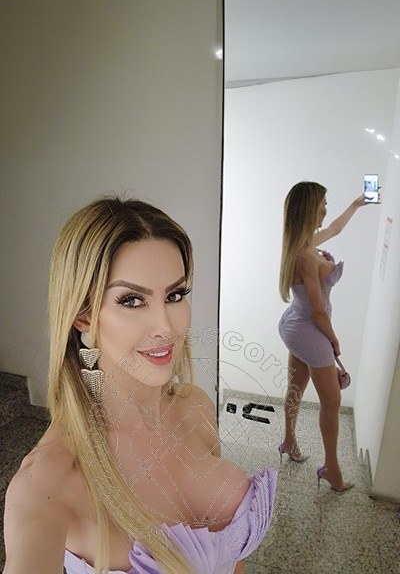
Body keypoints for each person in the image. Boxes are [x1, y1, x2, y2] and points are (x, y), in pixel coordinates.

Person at [3, 196, 277, 574]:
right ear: (83, 316)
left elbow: (232, 559)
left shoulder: (196, 406)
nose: (166, 327)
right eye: (132, 300)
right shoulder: (47, 480)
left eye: (174, 295)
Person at [278, 181, 374, 492]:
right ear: (310, 209)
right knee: (332, 402)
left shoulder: (303, 243)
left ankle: (289, 441)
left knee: (296, 387)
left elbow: (335, 228)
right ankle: (332, 470)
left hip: (295, 324)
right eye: (323, 204)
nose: (326, 210)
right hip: (309, 328)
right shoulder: (306, 255)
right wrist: (333, 340)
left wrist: (357, 203)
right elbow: (319, 312)